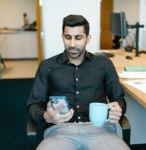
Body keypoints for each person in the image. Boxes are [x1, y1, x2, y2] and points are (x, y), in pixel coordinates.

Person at [27, 14, 130, 150]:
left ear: (88, 38)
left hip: (100, 130)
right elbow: (33, 104)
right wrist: (46, 116)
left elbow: (119, 99)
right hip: (59, 131)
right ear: (62, 36)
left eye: (78, 38)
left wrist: (119, 109)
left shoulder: (104, 65)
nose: (72, 44)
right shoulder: (47, 66)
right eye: (67, 37)